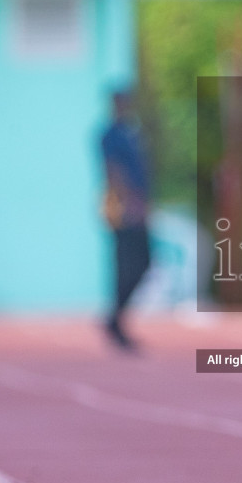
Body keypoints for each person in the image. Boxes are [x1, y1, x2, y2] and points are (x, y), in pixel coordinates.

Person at [100, 90, 152, 350]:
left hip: (137, 204)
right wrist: (128, 201)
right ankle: (116, 320)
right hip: (123, 206)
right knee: (127, 262)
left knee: (143, 261)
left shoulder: (133, 133)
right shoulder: (110, 135)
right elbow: (113, 169)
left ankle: (116, 317)